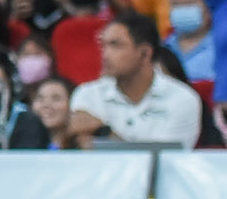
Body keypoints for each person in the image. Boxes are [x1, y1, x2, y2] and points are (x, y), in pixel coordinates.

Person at [69, 15, 202, 149]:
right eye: (103, 46)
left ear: (145, 53)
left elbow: (164, 158)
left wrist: (103, 131)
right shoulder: (87, 95)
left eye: (116, 45)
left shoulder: (182, 99)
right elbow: (87, 154)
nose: (105, 55)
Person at [167, 0, 216, 84]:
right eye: (176, 4)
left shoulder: (220, 48)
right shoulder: (161, 49)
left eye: (189, 3)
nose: (183, 9)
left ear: (207, 8)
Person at [28, 76, 76, 148]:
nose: (46, 105)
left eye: (56, 99)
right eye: (40, 98)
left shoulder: (83, 148)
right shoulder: (19, 144)